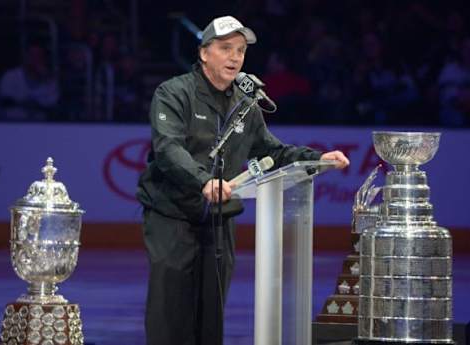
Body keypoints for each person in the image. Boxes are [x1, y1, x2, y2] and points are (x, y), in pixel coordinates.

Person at [136, 15, 349, 345]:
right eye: (225, 48)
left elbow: (272, 151)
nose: (235, 57)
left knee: (212, 313)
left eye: (240, 50)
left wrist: (316, 159)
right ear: (204, 53)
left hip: (220, 222)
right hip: (172, 216)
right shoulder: (174, 93)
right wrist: (204, 181)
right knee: (171, 310)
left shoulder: (246, 104)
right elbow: (167, 149)